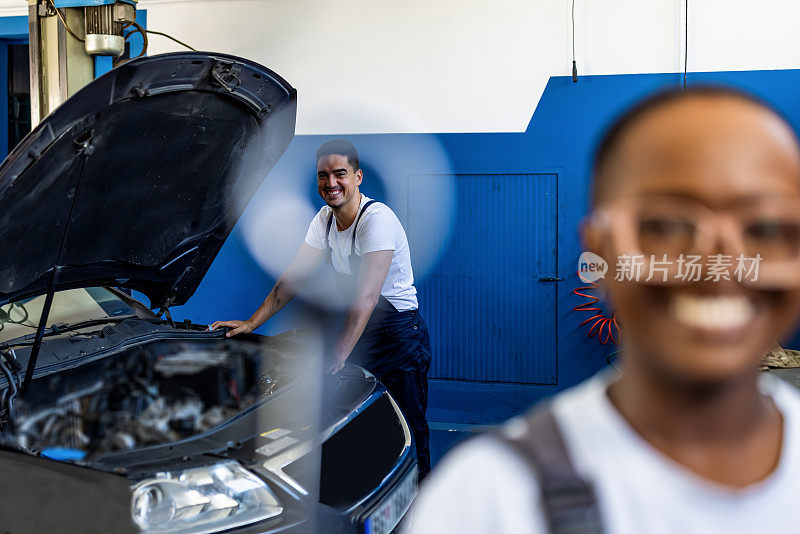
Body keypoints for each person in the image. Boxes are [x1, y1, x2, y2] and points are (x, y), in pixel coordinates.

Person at [405, 86, 800, 533]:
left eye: (766, 226)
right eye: (665, 225)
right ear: (599, 248)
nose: (716, 265)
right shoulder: (490, 500)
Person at [211, 139, 432, 478]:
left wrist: (339, 353)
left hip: (398, 335)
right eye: (322, 176)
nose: (331, 183)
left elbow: (366, 298)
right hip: (360, 332)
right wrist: (251, 324)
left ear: (358, 177)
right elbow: (291, 280)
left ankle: (419, 502)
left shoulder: (377, 221)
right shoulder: (324, 221)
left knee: (407, 424)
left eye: (340, 174)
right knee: (361, 419)